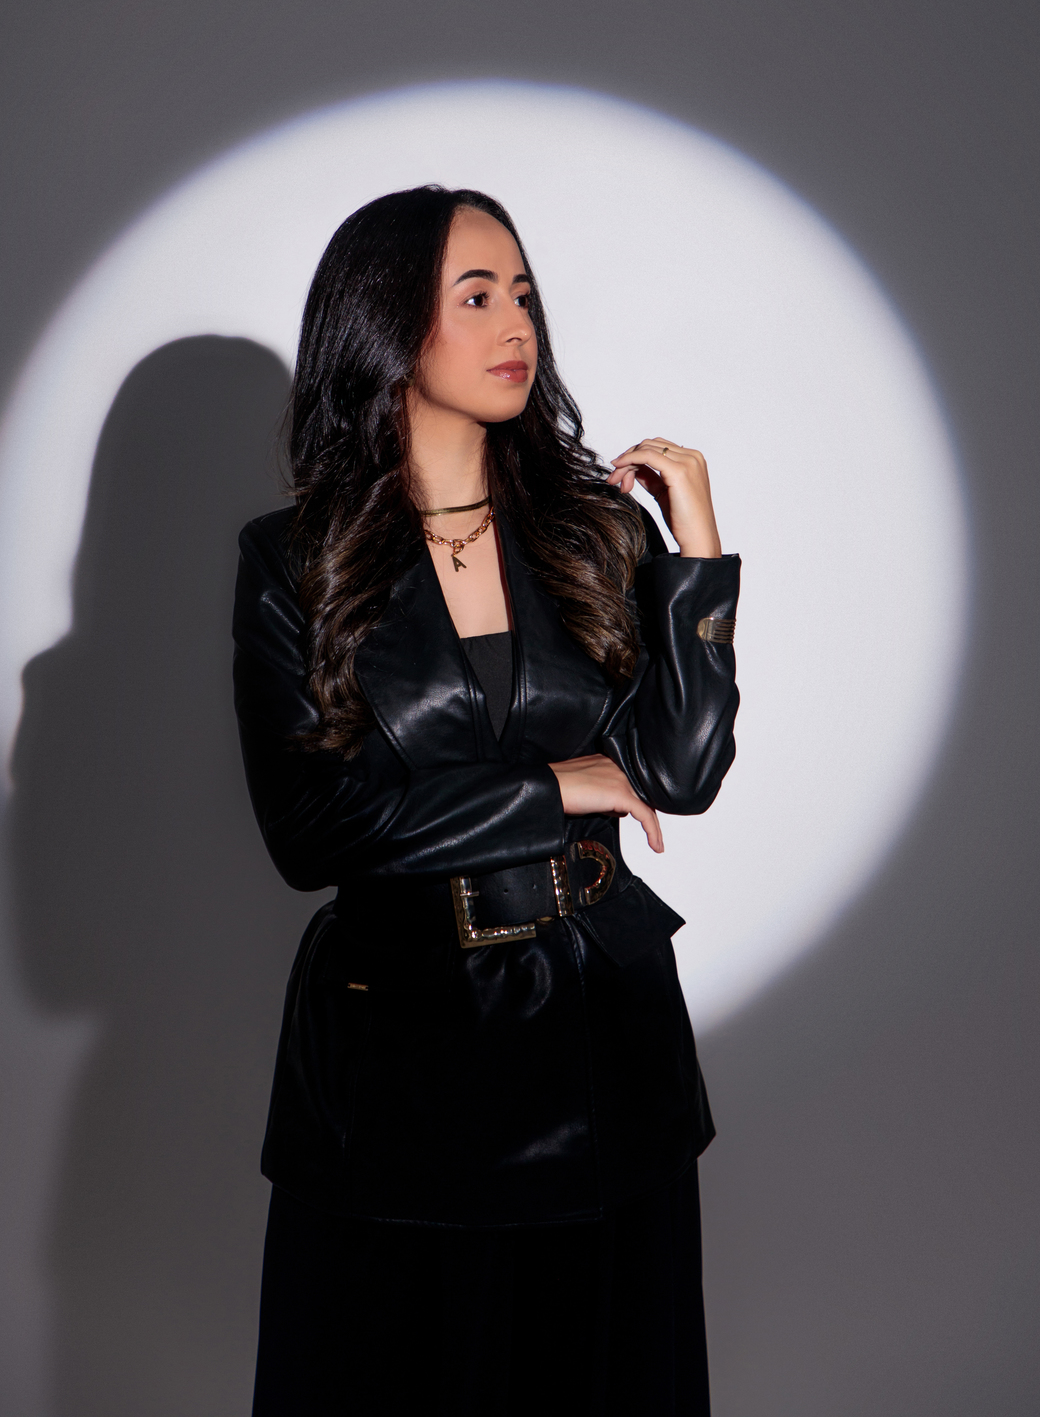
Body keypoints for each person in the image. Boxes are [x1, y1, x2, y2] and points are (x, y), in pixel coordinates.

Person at [232, 185, 741, 1415]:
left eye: (521, 293)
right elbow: (313, 828)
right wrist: (553, 784)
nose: (516, 323)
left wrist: (697, 556)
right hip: (401, 1056)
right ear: (386, 323)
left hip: (600, 1041)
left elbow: (680, 771)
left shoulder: (593, 532)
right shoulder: (296, 560)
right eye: (474, 296)